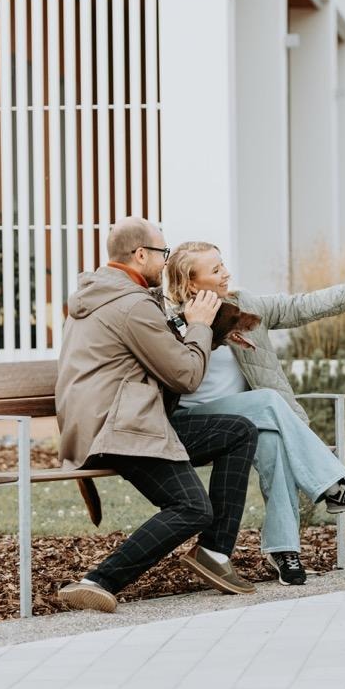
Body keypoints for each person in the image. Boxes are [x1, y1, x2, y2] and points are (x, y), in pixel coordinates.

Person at [54, 217, 260, 613]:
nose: (166, 262)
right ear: (140, 254)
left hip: (110, 420)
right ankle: (97, 581)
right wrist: (200, 325)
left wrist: (205, 333)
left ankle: (214, 552)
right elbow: (185, 376)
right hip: (118, 428)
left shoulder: (102, 296)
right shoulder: (131, 305)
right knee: (192, 507)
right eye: (162, 253)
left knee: (238, 431)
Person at [163, 241, 345, 587]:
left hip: (242, 423)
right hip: (193, 425)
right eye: (216, 270)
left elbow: (300, 306)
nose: (226, 274)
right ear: (191, 283)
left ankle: (284, 549)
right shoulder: (169, 323)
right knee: (268, 401)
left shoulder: (245, 306)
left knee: (273, 443)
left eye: (223, 265)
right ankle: (336, 486)